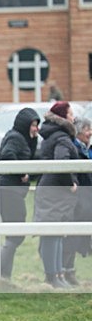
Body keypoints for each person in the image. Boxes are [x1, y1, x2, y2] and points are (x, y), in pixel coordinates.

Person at [33, 101, 79, 288]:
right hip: (56, 192)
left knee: (57, 234)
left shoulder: (54, 136)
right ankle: (53, 276)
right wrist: (70, 182)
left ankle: (57, 274)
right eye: (70, 114)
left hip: (51, 190)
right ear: (63, 117)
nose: (73, 118)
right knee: (52, 235)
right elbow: (62, 163)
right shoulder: (61, 138)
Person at [0, 107, 40, 280]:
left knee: (14, 234)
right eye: (33, 125)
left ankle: (3, 275)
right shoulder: (16, 138)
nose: (36, 128)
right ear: (25, 125)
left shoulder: (22, 138)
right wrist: (22, 173)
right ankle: (2, 274)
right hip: (10, 192)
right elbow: (7, 156)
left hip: (12, 192)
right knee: (15, 234)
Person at [61, 116, 92, 285]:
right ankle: (66, 271)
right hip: (78, 200)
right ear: (78, 131)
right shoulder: (75, 147)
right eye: (87, 129)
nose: (90, 133)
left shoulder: (87, 148)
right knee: (72, 236)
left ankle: (69, 271)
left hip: (87, 200)